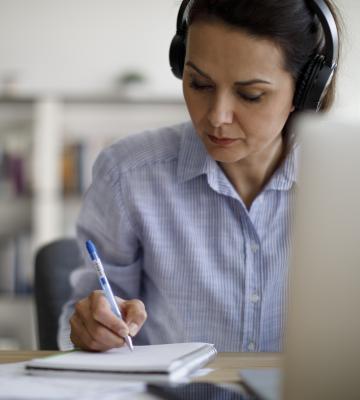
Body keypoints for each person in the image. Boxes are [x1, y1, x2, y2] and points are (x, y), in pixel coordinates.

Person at [58, 0, 342, 352]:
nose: (217, 117)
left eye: (250, 94)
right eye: (200, 84)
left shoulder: (346, 182)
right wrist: (91, 328)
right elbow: (84, 314)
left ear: (306, 90)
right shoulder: (127, 174)